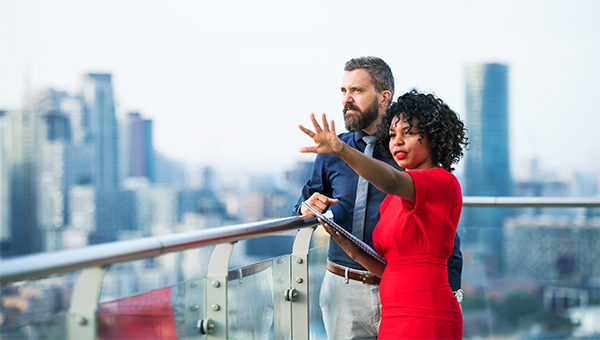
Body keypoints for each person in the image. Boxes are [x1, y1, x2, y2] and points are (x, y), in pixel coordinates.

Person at [292, 56, 463, 339]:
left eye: (357, 91)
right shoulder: (336, 155)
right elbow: (305, 202)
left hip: (418, 306)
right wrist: (313, 212)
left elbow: (395, 182)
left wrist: (341, 150)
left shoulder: (418, 172)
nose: (347, 99)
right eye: (343, 91)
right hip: (354, 290)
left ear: (384, 97)